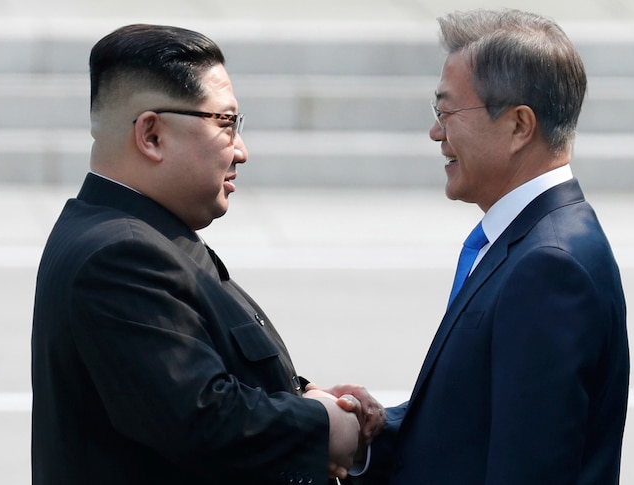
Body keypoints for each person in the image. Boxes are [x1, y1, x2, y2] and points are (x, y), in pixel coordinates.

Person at [31, 24, 383, 484]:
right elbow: (201, 421)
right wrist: (324, 427)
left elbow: (193, 381)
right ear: (152, 135)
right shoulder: (122, 255)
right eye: (226, 123)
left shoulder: (142, 234)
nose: (241, 151)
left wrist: (304, 397)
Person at [328, 8, 630, 484]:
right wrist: (376, 428)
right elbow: (473, 424)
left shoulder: (549, 266)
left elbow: (528, 469)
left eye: (447, 112)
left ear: (518, 126)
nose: (435, 132)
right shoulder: (528, 238)